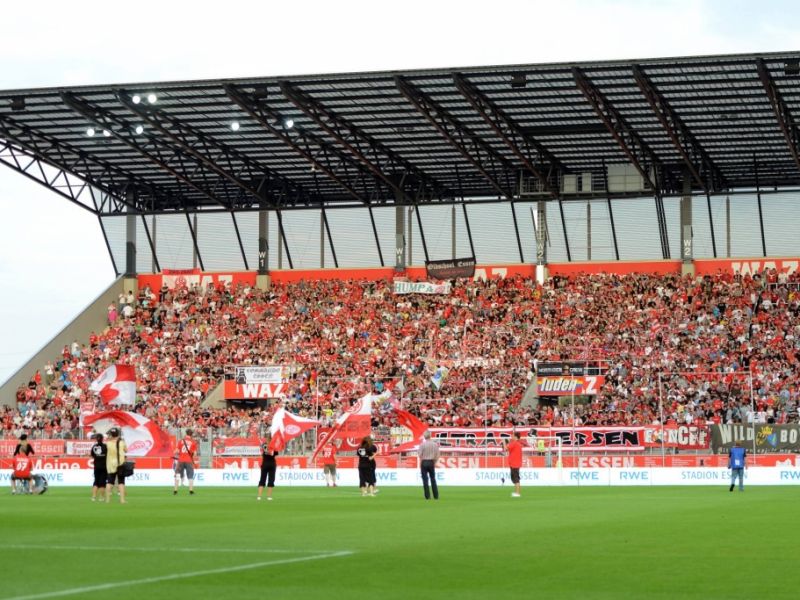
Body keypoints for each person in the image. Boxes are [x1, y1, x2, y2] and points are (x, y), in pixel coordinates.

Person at [105, 427, 128, 504]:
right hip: (120, 464)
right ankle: (122, 500)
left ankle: (107, 500)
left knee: (109, 482)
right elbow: (126, 450)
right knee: (121, 482)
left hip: (110, 465)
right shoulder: (121, 442)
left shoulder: (108, 443)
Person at [173, 429, 199, 495]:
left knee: (177, 475)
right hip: (189, 460)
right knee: (190, 476)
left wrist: (177, 454)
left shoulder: (181, 441)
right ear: (191, 434)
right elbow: (195, 454)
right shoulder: (193, 442)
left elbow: (176, 451)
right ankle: (191, 491)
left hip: (181, 460)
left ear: (186, 433)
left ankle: (175, 490)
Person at [418, 430, 440, 500]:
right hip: (431, 462)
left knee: (425, 480)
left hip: (424, 462)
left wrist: (422, 459)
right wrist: (434, 461)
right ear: (430, 436)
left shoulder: (422, 444)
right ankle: (436, 495)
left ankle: (427, 496)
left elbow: (419, 454)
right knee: (433, 479)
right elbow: (437, 455)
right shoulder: (435, 444)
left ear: (424, 436)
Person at [257, 434, 277, 501]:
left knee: (262, 479)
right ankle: (269, 496)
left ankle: (259, 496)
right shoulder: (274, 445)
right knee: (271, 480)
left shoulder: (263, 445)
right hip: (272, 464)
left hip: (265, 463)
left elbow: (262, 452)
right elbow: (276, 453)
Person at [90, 433, 108, 502]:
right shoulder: (105, 446)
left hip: (96, 466)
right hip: (104, 466)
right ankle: (101, 497)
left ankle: (93, 497)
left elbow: (92, 455)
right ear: (102, 439)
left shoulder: (94, 446)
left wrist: (97, 457)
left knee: (96, 482)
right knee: (102, 483)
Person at [506, 431, 523, 498]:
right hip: (515, 463)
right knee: (515, 478)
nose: (511, 436)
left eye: (512, 435)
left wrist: (504, 441)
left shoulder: (514, 443)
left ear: (515, 437)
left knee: (516, 479)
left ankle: (518, 493)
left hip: (514, 464)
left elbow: (506, 448)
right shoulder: (518, 443)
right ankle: (516, 492)